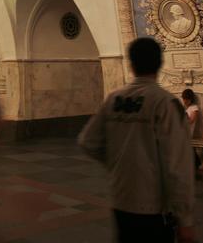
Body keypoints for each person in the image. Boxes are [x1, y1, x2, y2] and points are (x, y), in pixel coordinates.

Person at [78, 37, 195, 243]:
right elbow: (177, 166)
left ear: (131, 65)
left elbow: (88, 141)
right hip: (154, 207)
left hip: (120, 200)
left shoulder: (114, 98)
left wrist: (117, 161)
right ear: (160, 64)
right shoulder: (165, 103)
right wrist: (184, 219)